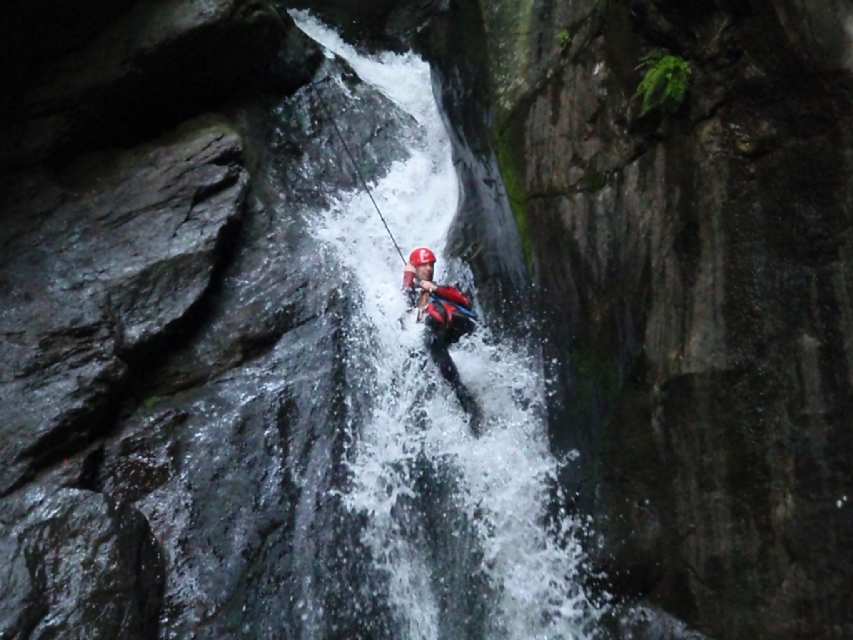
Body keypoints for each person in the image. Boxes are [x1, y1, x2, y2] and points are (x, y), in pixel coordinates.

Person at [402, 247, 483, 434]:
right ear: (416, 267)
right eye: (424, 265)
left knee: (431, 330)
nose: (429, 268)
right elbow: (404, 297)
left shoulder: (442, 289)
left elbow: (463, 300)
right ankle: (464, 404)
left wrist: (435, 288)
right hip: (436, 337)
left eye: (431, 264)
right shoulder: (412, 295)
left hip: (455, 327)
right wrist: (408, 275)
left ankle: (466, 400)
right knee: (428, 337)